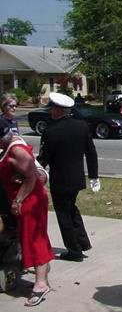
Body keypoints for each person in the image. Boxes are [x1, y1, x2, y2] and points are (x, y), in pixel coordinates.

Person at [37, 92, 101, 262]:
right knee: (72, 209)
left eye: (52, 108)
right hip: (77, 178)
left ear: (59, 111)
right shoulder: (81, 126)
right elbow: (91, 152)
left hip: (61, 180)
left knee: (64, 215)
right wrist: (94, 176)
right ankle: (82, 242)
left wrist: (35, 170)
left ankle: (74, 251)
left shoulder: (51, 131)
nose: (51, 112)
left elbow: (44, 158)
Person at [0, 119, 54, 306]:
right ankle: (43, 277)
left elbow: (33, 175)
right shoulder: (10, 145)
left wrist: (18, 200)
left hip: (30, 202)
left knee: (34, 240)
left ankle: (40, 285)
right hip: (26, 200)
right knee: (32, 238)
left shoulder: (16, 150)